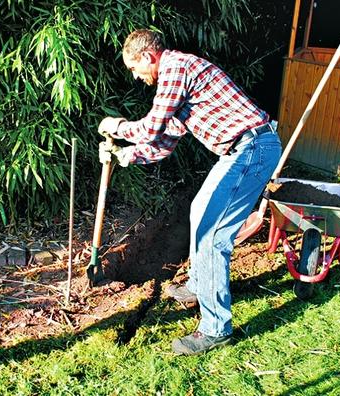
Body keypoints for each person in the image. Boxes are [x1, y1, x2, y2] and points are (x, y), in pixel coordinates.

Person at [98, 29, 282, 355]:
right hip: (242, 150)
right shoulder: (181, 85)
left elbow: (151, 125)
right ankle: (199, 284)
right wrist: (127, 155)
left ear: (147, 57)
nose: (136, 76)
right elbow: (164, 140)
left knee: (213, 236)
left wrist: (118, 126)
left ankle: (215, 329)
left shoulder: (177, 68)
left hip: (252, 147)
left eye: (133, 68)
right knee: (199, 210)